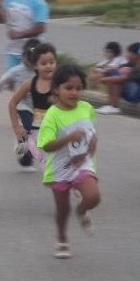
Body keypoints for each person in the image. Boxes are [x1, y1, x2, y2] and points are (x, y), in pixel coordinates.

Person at [37, 64, 101, 259]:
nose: (74, 92)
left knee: (93, 197)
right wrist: (68, 138)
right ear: (56, 88)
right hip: (60, 169)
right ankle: (62, 237)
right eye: (69, 88)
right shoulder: (52, 115)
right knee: (62, 209)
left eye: (78, 88)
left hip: (83, 164)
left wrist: (93, 140)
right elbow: (46, 145)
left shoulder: (86, 108)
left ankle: (82, 211)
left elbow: (90, 129)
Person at [0, 38, 41, 168]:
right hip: (22, 104)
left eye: (35, 62)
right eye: (30, 61)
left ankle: (27, 157)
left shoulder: (41, 71)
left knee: (36, 134)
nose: (32, 65)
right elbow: (3, 80)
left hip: (38, 107)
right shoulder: (17, 70)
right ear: (24, 56)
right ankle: (21, 137)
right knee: (29, 127)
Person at [8, 42, 57, 172]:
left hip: (56, 124)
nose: (48, 66)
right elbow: (13, 103)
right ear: (35, 65)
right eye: (44, 63)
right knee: (39, 155)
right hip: (38, 123)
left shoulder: (60, 83)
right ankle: (23, 142)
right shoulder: (29, 84)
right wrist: (16, 128)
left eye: (51, 62)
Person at [2, 0, 49, 69]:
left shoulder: (39, 3)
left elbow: (40, 28)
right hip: (13, 49)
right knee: (11, 79)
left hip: (30, 50)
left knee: (27, 80)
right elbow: (3, 15)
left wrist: (19, 34)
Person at [93, 42, 140, 115]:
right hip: (134, 91)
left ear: (137, 55)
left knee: (114, 78)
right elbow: (116, 68)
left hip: (137, 94)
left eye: (129, 53)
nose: (127, 55)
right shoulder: (133, 63)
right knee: (112, 74)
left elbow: (123, 78)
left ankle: (114, 106)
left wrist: (103, 79)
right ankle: (110, 105)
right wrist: (104, 73)